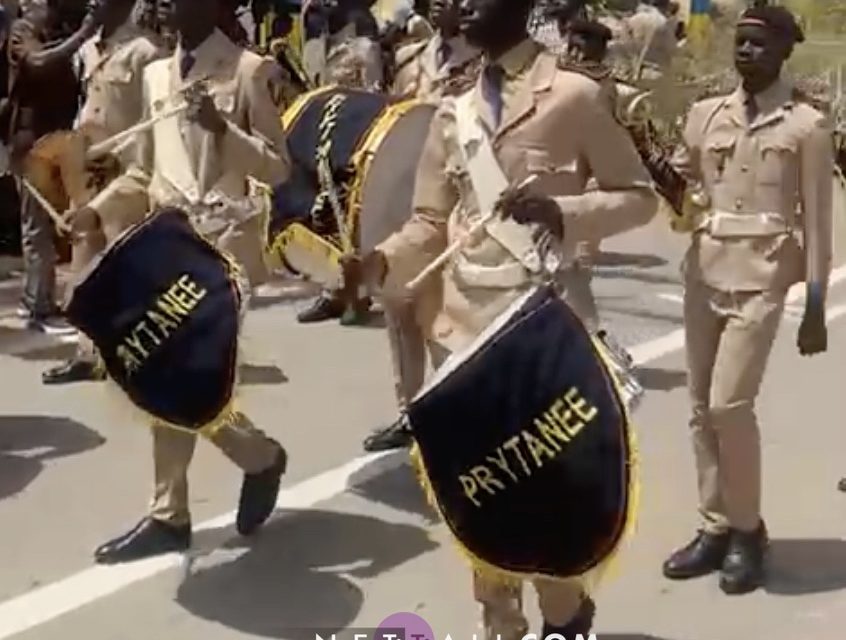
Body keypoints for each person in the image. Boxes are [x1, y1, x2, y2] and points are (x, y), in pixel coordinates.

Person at [345, 0, 657, 635]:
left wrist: (564, 212)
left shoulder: (573, 95)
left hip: (540, 323)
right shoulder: (451, 108)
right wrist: (379, 262)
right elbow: (430, 224)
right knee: (480, 491)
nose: (459, 8)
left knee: (546, 488)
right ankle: (500, 624)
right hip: (461, 327)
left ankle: (565, 613)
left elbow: (638, 198)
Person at [68, 0, 292, 564]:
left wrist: (225, 133)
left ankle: (173, 513)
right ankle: (256, 459)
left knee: (180, 370)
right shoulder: (155, 74)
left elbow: (277, 167)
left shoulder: (248, 69)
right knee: (170, 372)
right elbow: (144, 170)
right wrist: (95, 210)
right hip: (166, 247)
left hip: (222, 250)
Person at [663, 5, 831, 595]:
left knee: (729, 405)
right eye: (741, 42)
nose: (745, 52)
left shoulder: (806, 126)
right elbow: (682, 191)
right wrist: (661, 176)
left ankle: (747, 529)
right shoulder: (705, 113)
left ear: (785, 51)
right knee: (699, 409)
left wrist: (814, 305)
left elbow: (817, 219)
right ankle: (714, 526)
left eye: (760, 45)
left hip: (762, 278)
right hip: (705, 271)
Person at [363, 0, 479, 453]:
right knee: (401, 312)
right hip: (404, 204)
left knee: (445, 318)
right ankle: (410, 413)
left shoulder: (488, 63)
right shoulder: (412, 59)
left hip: (455, 211)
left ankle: (458, 414)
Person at [40, 0, 165, 385]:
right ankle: (87, 352)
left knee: (125, 265)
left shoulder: (146, 51)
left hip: (126, 176)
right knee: (85, 265)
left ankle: (136, 354)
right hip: (90, 172)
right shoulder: (90, 46)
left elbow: (152, 121)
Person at [6, 0, 95, 334]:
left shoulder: (62, 30)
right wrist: (85, 33)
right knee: (37, 228)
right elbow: (38, 62)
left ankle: (45, 300)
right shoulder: (24, 29)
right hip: (30, 144)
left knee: (58, 225)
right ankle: (37, 308)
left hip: (59, 141)